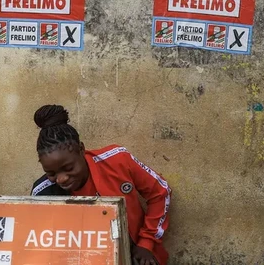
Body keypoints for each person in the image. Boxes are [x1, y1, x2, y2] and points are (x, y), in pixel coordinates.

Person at [31, 105, 170, 265]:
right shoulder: (43, 193)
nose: (61, 179)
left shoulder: (117, 161)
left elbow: (161, 192)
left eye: (69, 168)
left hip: (136, 255)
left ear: (81, 149)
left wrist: (146, 243)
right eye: (51, 173)